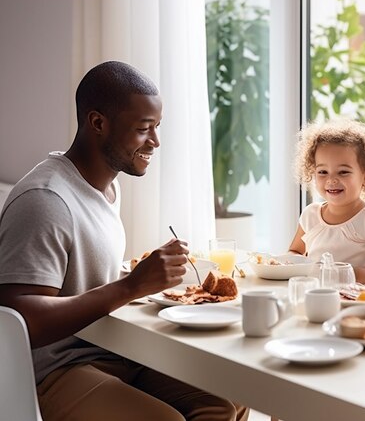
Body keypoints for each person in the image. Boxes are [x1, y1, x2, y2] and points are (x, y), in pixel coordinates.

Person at [0, 61, 248, 421]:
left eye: (158, 127)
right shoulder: (46, 199)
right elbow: (21, 316)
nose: (156, 141)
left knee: (228, 400)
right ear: (98, 123)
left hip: (114, 352)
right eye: (144, 129)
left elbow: (86, 278)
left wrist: (143, 280)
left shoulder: (107, 188)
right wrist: (132, 284)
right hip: (54, 371)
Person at [289, 119, 365, 283]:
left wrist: (353, 275)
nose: (331, 179)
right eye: (323, 172)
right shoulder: (310, 215)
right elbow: (295, 252)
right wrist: (288, 263)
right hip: (316, 296)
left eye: (343, 172)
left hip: (357, 301)